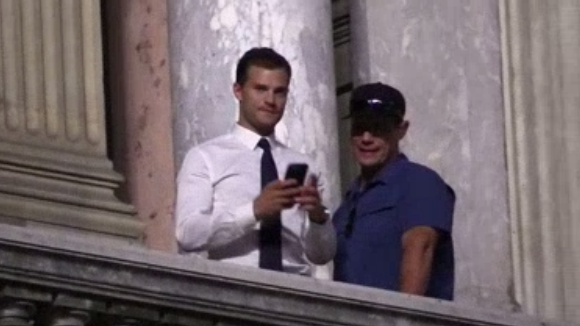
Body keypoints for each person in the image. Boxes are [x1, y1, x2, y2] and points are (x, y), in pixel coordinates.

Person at [175, 47, 336, 276]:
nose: (271, 100)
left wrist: (318, 217)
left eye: (279, 92)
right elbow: (187, 234)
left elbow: (322, 255)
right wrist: (254, 210)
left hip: (296, 290)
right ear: (238, 91)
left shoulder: (305, 165)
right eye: (261, 89)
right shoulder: (205, 157)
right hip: (232, 286)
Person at [332, 82, 455, 300]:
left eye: (378, 128)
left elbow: (420, 248)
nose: (366, 138)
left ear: (401, 130)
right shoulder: (349, 201)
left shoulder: (419, 183)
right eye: (359, 128)